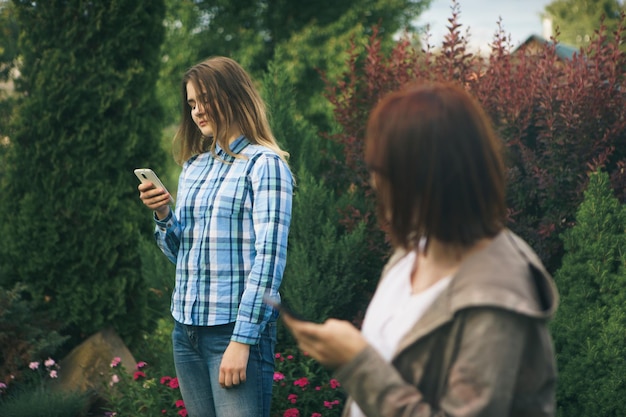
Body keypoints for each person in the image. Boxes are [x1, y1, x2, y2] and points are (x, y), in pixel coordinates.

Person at [281, 82, 559, 417]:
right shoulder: (413, 251)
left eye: (383, 172)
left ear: (427, 179)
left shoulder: (496, 298)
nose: (374, 182)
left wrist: (355, 362)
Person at [138, 56, 293, 417]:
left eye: (204, 99)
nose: (196, 111)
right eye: (191, 103)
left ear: (234, 96)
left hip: (233, 333)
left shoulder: (264, 165)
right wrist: (163, 214)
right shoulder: (194, 167)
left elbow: (270, 260)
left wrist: (242, 341)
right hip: (186, 332)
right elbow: (182, 254)